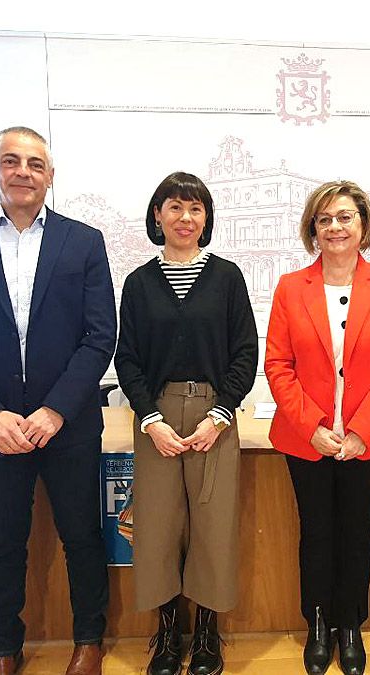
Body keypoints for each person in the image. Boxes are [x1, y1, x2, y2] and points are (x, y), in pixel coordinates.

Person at [0, 126, 116, 675]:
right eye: (11, 161)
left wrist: (56, 409)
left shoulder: (84, 242)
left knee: (82, 535)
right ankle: (3, 649)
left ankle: (89, 640)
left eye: (36, 164)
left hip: (69, 424)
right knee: (3, 541)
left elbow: (99, 335)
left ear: (50, 176)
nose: (23, 172)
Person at [265, 180, 370, 675]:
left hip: (365, 442)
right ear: (313, 229)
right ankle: (319, 624)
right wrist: (312, 427)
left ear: (363, 225)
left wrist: (360, 432)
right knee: (315, 533)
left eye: (345, 217)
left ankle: (350, 624)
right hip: (307, 441)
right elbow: (278, 365)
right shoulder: (291, 287)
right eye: (325, 219)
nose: (335, 227)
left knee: (356, 534)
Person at [114, 172, 258, 675]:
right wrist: (149, 418)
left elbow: (245, 354)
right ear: (158, 215)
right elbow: (126, 358)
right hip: (155, 417)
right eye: (174, 207)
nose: (185, 218)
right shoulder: (138, 283)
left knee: (213, 527)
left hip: (213, 416)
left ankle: (208, 636)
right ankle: (168, 632)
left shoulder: (227, 277)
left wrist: (220, 415)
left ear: (207, 219)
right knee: (157, 527)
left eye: (195, 209)